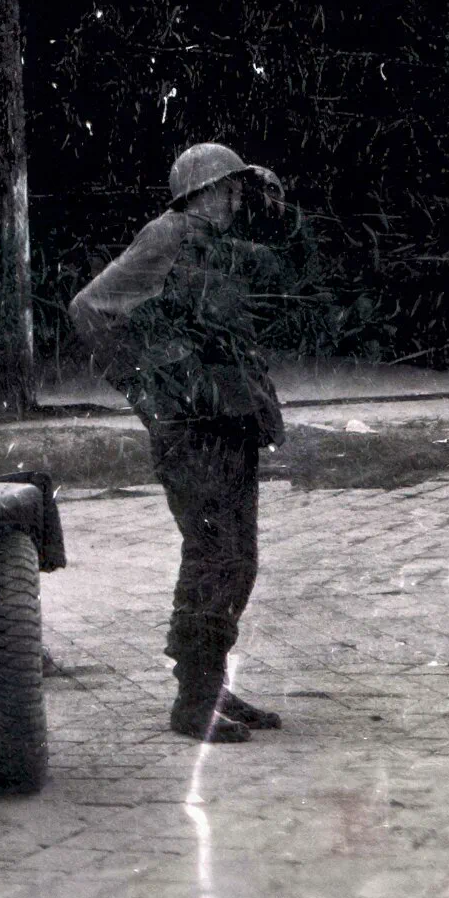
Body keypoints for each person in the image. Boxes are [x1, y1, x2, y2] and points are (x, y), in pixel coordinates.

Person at [70, 142, 290, 742]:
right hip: (192, 433)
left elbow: (281, 259)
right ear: (203, 192)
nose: (237, 199)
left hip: (227, 425)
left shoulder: (208, 242)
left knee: (236, 560)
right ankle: (194, 704)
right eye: (231, 189)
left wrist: (274, 200)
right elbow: (89, 308)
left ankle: (210, 684)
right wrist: (151, 389)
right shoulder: (165, 237)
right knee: (215, 557)